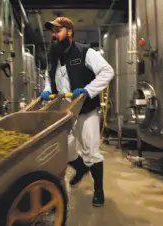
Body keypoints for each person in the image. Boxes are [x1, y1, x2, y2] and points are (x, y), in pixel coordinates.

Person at [40, 17, 114, 207]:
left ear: (70, 32)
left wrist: (88, 91)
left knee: (91, 152)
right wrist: (48, 88)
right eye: (52, 32)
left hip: (85, 110)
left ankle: (99, 190)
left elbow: (107, 71)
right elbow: (50, 77)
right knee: (64, 148)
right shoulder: (54, 55)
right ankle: (80, 169)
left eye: (58, 31)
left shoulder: (84, 51)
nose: (54, 35)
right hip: (64, 112)